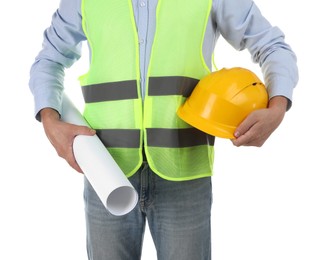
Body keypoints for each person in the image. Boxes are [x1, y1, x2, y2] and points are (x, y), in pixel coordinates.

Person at [29, 0, 298, 259]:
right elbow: (49, 61)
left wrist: (277, 106)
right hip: (106, 171)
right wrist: (50, 120)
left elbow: (272, 45)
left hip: (185, 175)